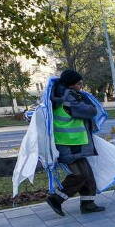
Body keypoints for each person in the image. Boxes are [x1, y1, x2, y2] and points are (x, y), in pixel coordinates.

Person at [45, 69, 105, 216]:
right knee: (80, 175)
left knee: (87, 175)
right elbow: (90, 111)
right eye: (79, 84)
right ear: (71, 85)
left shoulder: (63, 94)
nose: (81, 86)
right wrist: (86, 100)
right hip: (69, 144)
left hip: (74, 142)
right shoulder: (68, 98)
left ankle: (88, 204)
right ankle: (56, 199)